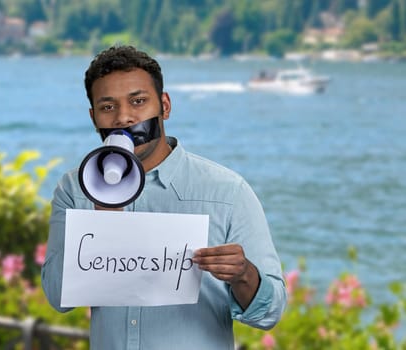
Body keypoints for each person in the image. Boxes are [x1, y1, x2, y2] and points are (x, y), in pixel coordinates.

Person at [42, 45, 287, 350]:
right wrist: (102, 218)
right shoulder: (74, 189)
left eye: (138, 101)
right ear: (94, 118)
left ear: (165, 106)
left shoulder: (227, 192)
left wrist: (243, 274)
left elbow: (270, 312)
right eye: (108, 107)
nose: (124, 117)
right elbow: (57, 296)